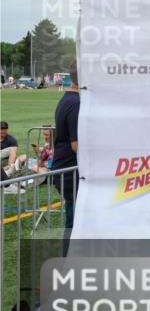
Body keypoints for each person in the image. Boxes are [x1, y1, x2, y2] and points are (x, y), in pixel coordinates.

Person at [51, 65, 80, 234]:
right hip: (70, 171)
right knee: (74, 222)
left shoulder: (68, 99)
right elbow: (76, 146)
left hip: (65, 169)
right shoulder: (76, 103)